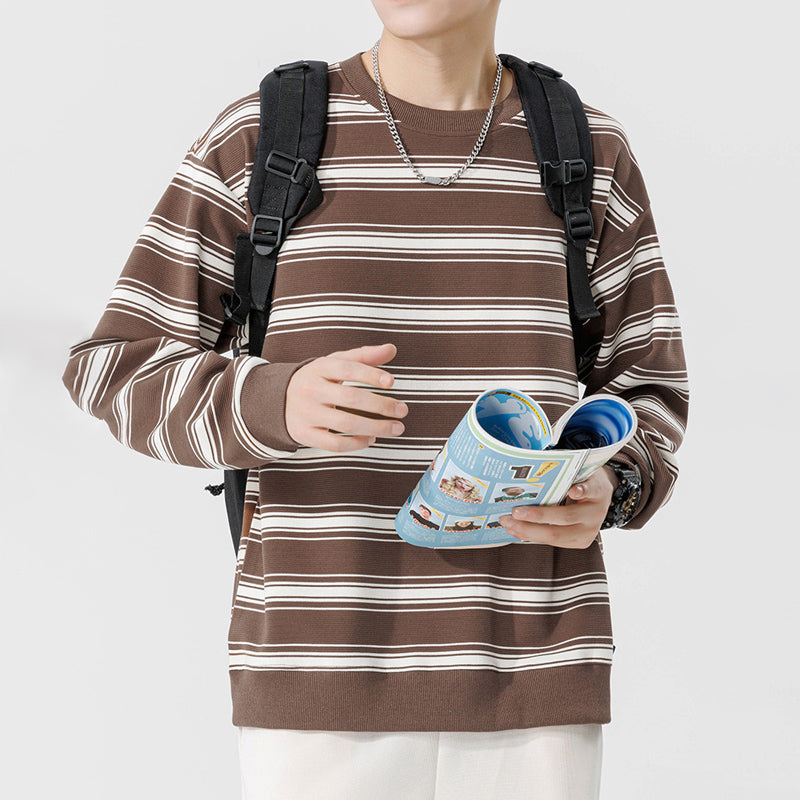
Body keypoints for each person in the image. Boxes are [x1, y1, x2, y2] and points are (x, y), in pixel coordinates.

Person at [60, 1, 690, 798]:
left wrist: (613, 486)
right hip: (317, 680)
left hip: (536, 681)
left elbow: (650, 394)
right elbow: (112, 369)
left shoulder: (588, 153)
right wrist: (271, 401)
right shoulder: (262, 138)